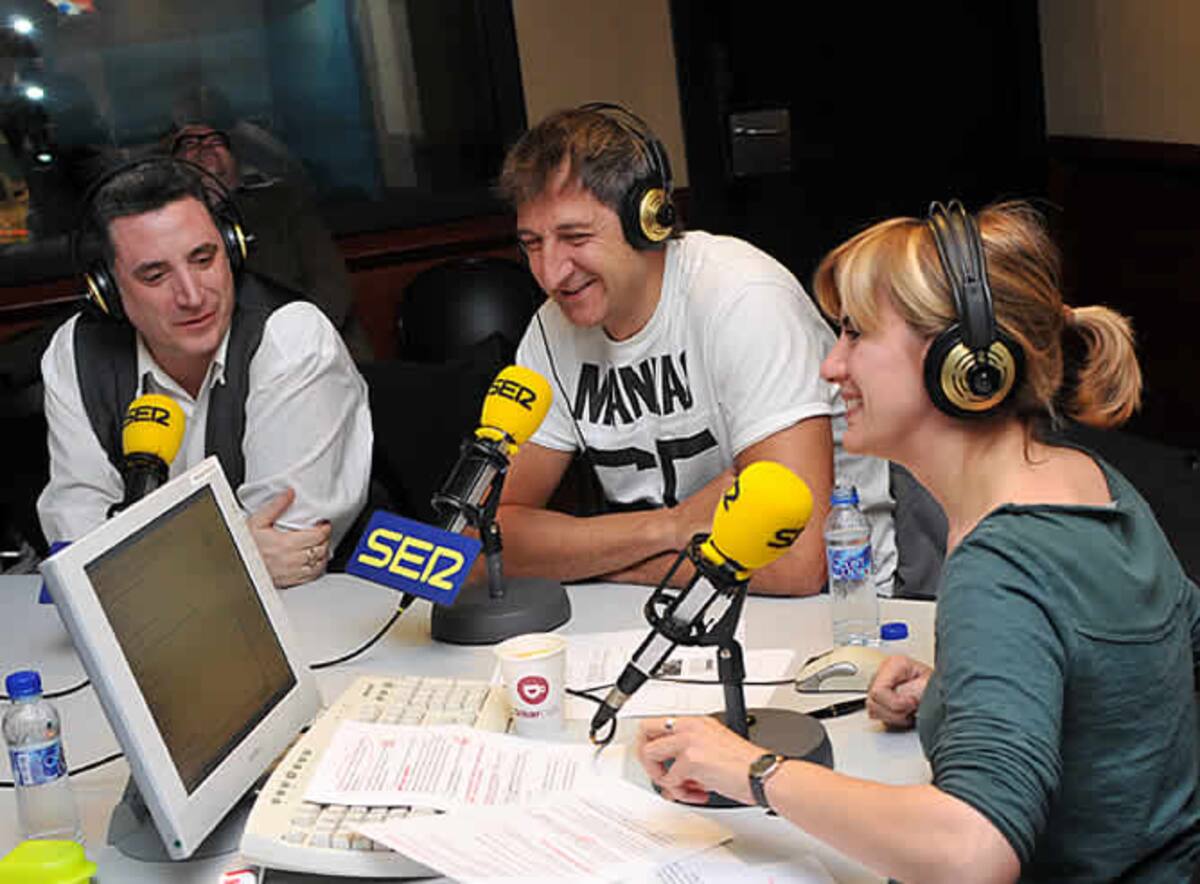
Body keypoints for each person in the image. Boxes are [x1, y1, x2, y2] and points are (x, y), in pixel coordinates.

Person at [636, 201, 1200, 881]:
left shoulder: (1002, 559)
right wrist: (975, 692)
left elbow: (971, 850)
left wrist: (751, 770)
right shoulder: (1088, 480)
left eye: (856, 334)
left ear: (962, 365)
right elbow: (1158, 659)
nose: (831, 366)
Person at [494, 104, 894, 596]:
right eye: (532, 244)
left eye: (575, 237)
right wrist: (669, 527)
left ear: (649, 220)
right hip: (666, 604)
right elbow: (485, 539)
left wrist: (592, 563)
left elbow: (796, 563)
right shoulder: (550, 330)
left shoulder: (744, 298)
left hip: (839, 609)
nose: (551, 273)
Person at [37, 159, 373, 588]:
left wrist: (135, 565)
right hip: (151, 622)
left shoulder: (291, 337)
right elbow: (75, 541)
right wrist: (233, 558)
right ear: (107, 289)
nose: (192, 295)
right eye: (155, 275)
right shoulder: (77, 350)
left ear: (232, 249)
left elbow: (289, 545)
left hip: (319, 610)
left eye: (203, 258)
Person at [166, 87, 371, 362]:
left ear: (236, 158)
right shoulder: (165, 227)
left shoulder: (283, 203)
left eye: (216, 141)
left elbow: (332, 286)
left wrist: (289, 348)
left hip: (313, 350)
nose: (205, 148)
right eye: (190, 144)